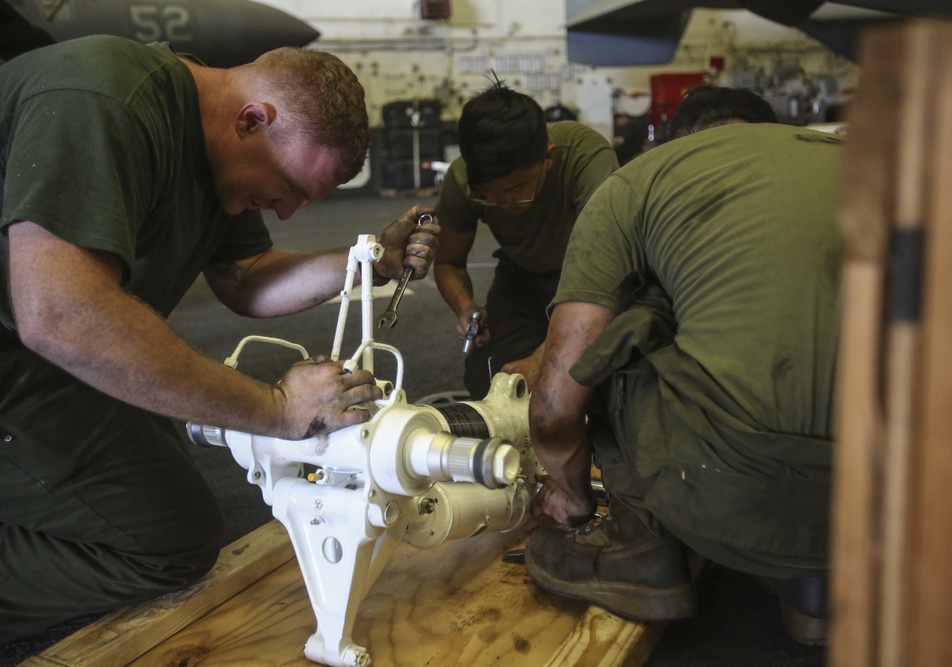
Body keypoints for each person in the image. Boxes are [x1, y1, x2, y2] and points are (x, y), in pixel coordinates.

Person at [0, 35, 440, 640]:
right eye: (287, 186)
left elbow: (247, 278)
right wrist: (278, 411)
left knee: (157, 453)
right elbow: (61, 314)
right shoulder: (104, 99)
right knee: (167, 539)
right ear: (252, 119)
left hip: (36, 348)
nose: (285, 213)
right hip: (25, 353)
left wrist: (365, 262)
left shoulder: (218, 147)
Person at [524, 86, 840, 644]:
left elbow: (556, 405)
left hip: (737, 491)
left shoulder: (641, 181)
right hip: (932, 491)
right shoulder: (870, 162)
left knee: (628, 323)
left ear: (679, 143)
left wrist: (571, 495)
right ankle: (817, 597)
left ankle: (638, 549)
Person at [431, 81, 619, 399]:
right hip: (523, 277)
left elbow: (609, 274)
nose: (505, 205)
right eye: (489, 197)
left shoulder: (587, 157)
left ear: (548, 157)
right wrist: (465, 307)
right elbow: (449, 261)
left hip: (592, 276)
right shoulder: (463, 179)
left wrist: (542, 357)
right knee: (488, 379)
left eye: (517, 192)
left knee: (590, 379)